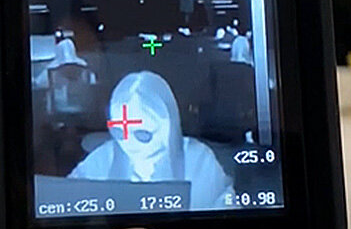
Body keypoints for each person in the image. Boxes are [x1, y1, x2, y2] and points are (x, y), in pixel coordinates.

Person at [69, 71, 233, 210]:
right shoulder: (102, 158)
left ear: (167, 126)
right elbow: (68, 200)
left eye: (142, 134)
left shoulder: (198, 160)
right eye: (119, 132)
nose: (128, 143)